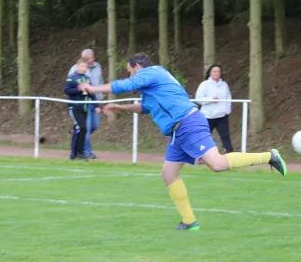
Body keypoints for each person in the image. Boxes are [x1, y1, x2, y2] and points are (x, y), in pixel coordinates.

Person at [79, 53, 287, 231]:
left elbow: (126, 84)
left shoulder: (151, 72)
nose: (130, 75)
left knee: (217, 164)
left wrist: (93, 88)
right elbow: (145, 107)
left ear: (137, 67)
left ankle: (269, 156)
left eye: (130, 71)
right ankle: (189, 221)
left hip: (188, 123)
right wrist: (120, 108)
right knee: (168, 173)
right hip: (178, 132)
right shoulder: (152, 86)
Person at [68, 49, 103, 159]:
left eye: (93, 58)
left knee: (94, 126)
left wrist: (98, 101)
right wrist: (79, 90)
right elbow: (69, 88)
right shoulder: (74, 72)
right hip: (81, 104)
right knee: (85, 128)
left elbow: (98, 83)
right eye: (89, 59)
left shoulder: (96, 68)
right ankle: (85, 152)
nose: (92, 60)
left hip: (93, 101)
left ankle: (78, 137)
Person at [195, 63, 234, 153]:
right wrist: (211, 99)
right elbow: (198, 99)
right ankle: (201, 156)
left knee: (225, 136)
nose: (216, 73)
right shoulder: (204, 84)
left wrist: (227, 111)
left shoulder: (224, 85)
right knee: (204, 137)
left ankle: (230, 155)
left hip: (222, 116)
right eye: (214, 71)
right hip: (207, 116)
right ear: (210, 73)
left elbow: (228, 98)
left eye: (218, 71)